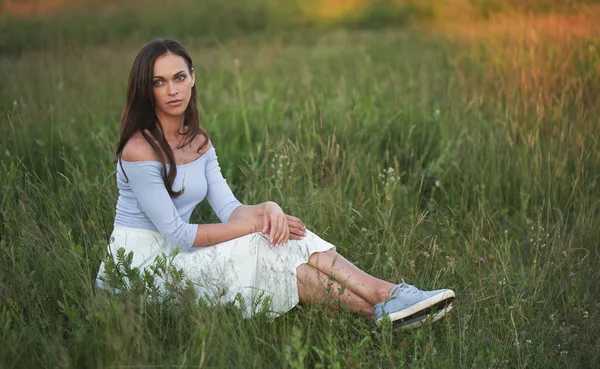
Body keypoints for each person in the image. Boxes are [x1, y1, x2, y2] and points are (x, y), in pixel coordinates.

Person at [95, 38, 455, 330]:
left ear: (193, 77)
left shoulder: (198, 141)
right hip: (139, 271)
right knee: (261, 243)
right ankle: (387, 295)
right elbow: (177, 234)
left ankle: (385, 309)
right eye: (159, 82)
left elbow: (229, 209)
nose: (172, 89)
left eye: (178, 77)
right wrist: (257, 226)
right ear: (146, 90)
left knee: (278, 239)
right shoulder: (140, 150)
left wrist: (270, 210)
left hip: (179, 257)